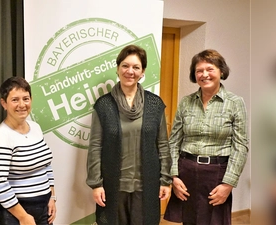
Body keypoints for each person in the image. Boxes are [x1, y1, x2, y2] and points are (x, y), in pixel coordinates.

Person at [86, 44, 172, 225]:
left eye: (136, 67)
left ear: (142, 72)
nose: (130, 71)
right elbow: (95, 146)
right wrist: (96, 184)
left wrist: (165, 180)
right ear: (117, 69)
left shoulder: (155, 104)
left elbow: (163, 144)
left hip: (146, 186)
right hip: (113, 186)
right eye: (125, 66)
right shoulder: (104, 105)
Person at [163, 49, 249, 225]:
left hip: (217, 174)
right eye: (199, 71)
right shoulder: (186, 102)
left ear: (221, 72)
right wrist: (174, 176)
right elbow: (173, 142)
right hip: (185, 172)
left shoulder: (235, 103)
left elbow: (240, 145)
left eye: (210, 69)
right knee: (188, 221)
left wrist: (228, 184)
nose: (204, 74)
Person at [0, 76, 57, 225]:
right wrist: (23, 217)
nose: (22, 104)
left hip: (44, 208)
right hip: (18, 212)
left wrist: (52, 197)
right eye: (15, 100)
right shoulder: (1, 135)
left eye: (26, 99)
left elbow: (46, 166)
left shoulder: (36, 127)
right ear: (4, 103)